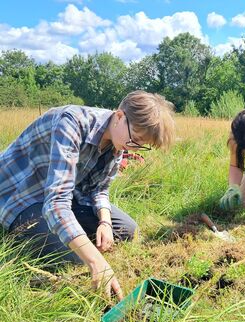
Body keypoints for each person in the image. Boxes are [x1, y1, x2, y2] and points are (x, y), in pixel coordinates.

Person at [0, 90, 175, 299]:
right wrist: (96, 261)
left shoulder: (118, 141)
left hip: (67, 196)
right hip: (21, 196)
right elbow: (56, 202)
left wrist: (106, 223)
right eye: (135, 139)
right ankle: (30, 235)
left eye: (141, 145)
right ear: (119, 116)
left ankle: (68, 234)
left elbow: (100, 189)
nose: (134, 147)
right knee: (75, 260)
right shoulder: (71, 123)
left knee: (128, 231)